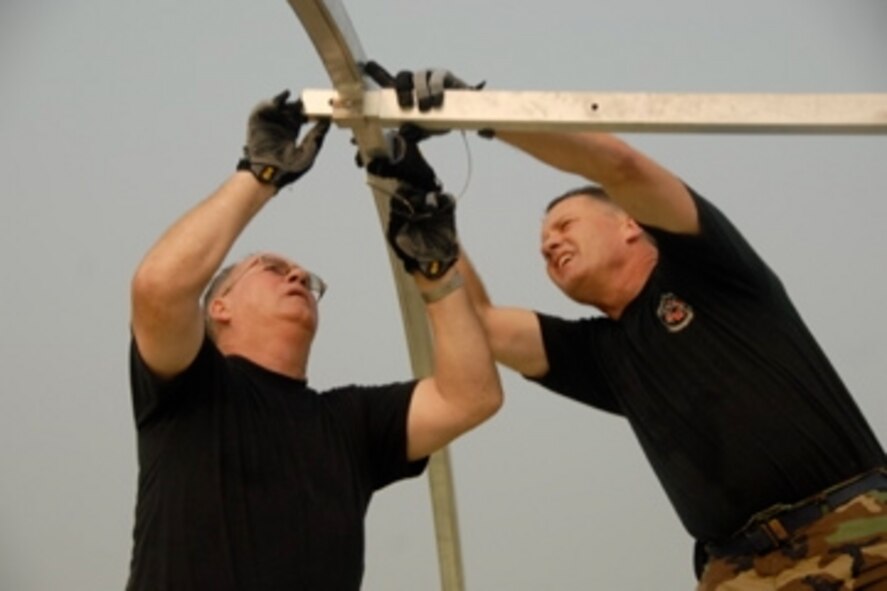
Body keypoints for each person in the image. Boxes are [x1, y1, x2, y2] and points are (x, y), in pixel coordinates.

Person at [365, 66, 887, 589]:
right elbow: (478, 324)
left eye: (564, 227)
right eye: (544, 249)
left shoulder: (708, 268)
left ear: (631, 224)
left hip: (857, 530)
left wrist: (481, 111)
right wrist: (417, 198)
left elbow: (622, 167)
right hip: (738, 573)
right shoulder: (602, 353)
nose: (550, 246)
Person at [126, 89, 502, 590]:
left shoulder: (348, 425)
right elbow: (158, 289)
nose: (298, 275)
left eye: (307, 277)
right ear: (219, 307)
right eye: (273, 268)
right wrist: (258, 176)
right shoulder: (193, 388)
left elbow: (471, 396)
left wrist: (436, 273)